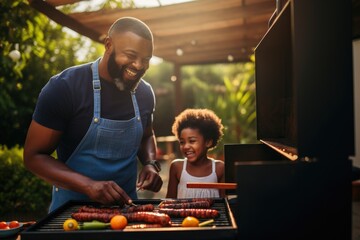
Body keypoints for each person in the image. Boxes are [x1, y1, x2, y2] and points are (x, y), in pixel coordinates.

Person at [23, 17, 163, 212]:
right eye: (131, 55)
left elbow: (147, 135)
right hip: (71, 215)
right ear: (108, 45)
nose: (139, 65)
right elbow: (33, 157)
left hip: (127, 213)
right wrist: (88, 185)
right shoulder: (65, 88)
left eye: (146, 59)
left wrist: (149, 163)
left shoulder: (144, 93)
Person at [166, 108, 225, 199]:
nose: (185, 146)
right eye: (182, 142)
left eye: (192, 141)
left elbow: (225, 203)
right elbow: (169, 201)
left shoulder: (219, 168)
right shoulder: (177, 167)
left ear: (208, 142)